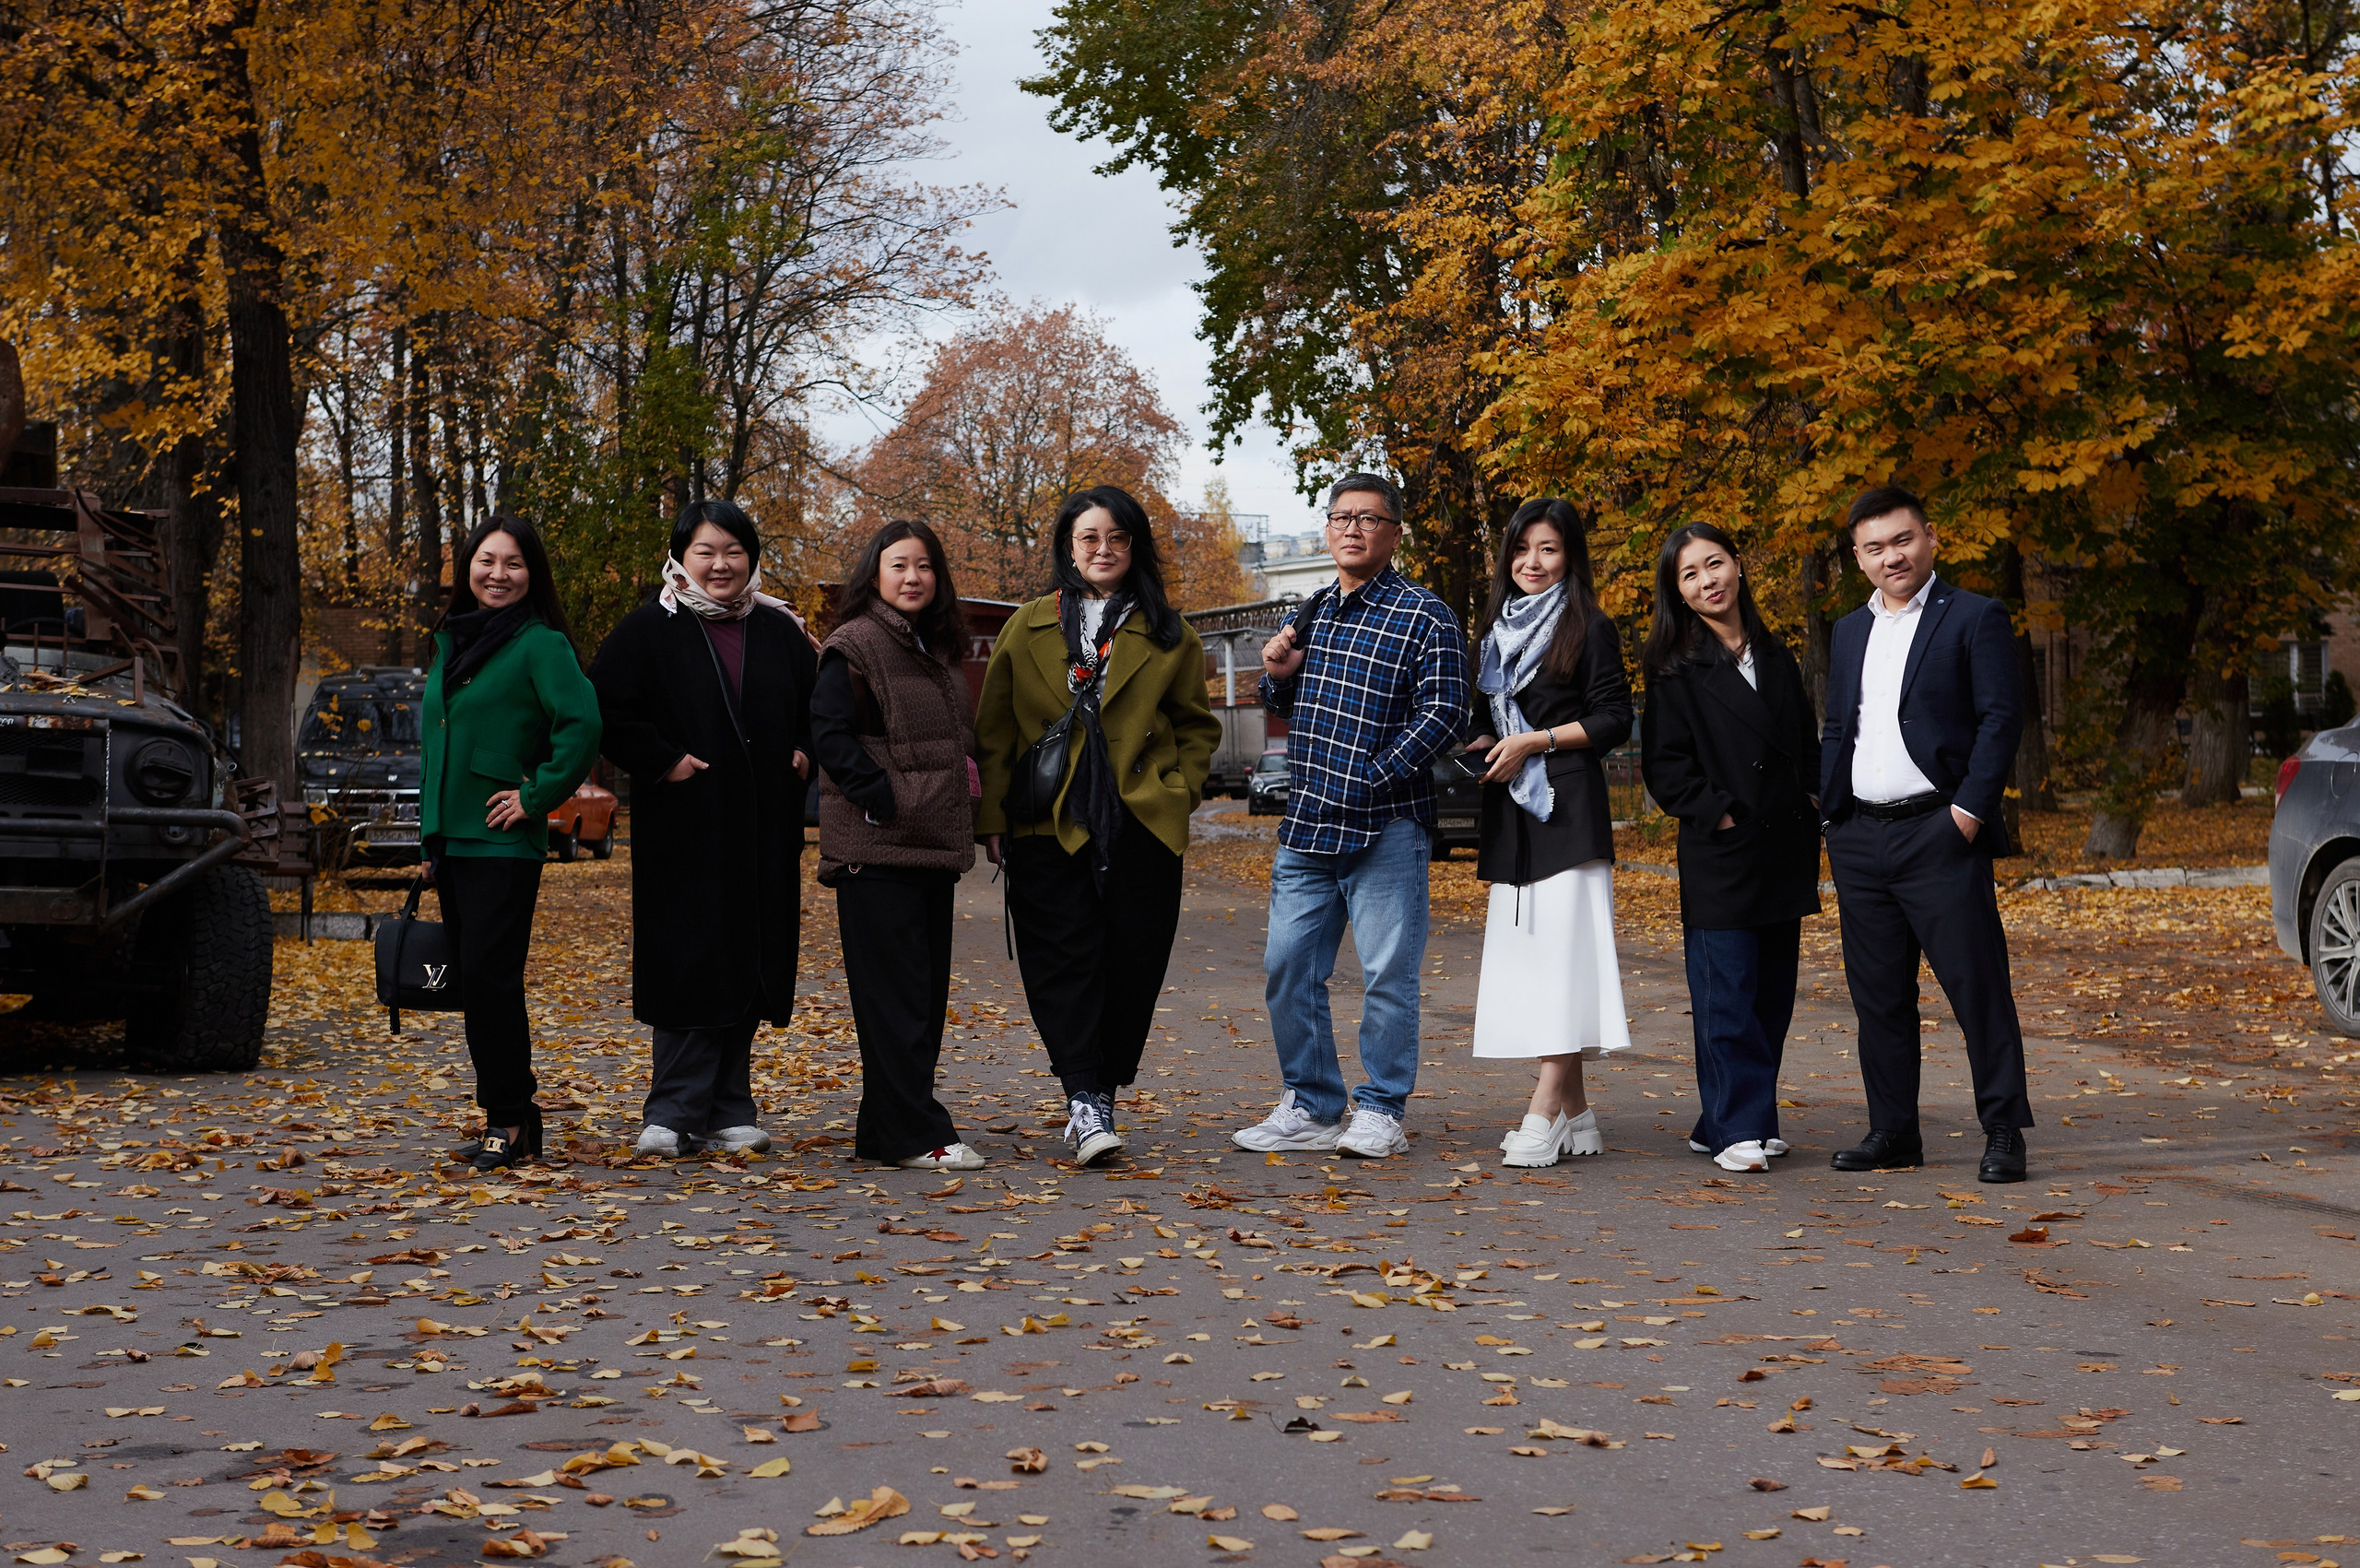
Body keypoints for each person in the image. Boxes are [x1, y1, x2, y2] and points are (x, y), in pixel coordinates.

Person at [975, 487, 1221, 1166]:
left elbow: (1197, 727)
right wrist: (992, 816)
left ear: (1134, 546)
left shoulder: (1169, 632)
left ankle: (1100, 1093)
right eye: (1089, 537)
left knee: (1132, 961)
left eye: (1117, 537)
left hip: (1141, 820)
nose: (1103, 549)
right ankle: (1084, 1098)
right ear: (1068, 546)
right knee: (1059, 961)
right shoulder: (1026, 627)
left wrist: (1178, 792)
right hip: (1046, 821)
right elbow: (994, 731)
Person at [1235, 473, 1469, 1159]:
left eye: (1369, 518)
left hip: (1386, 823)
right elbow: (1284, 702)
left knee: (1387, 976)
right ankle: (1311, 1106)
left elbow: (1445, 713)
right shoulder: (1312, 610)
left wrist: (1371, 777)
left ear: (1394, 533)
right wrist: (1276, 675)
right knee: (1288, 967)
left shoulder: (1426, 614)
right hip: (1308, 826)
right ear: (1328, 529)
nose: (1353, 529)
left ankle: (1381, 1110)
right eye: (1341, 517)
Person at [589, 499, 820, 1160]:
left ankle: (728, 1109)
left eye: (733, 551)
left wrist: (805, 751)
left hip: (761, 832)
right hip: (685, 831)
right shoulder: (649, 628)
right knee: (688, 965)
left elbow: (819, 706)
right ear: (680, 558)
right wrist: (665, 760)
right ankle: (672, 1109)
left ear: (752, 558)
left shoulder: (777, 630)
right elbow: (603, 708)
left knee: (748, 964)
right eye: (705, 552)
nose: (720, 565)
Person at [1820, 485, 2033, 1183]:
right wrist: (1831, 817)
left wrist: (1968, 812)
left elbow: (2001, 719)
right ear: (1859, 558)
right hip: (1860, 838)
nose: (1892, 557)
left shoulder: (1974, 616)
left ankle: (2003, 1129)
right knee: (1879, 997)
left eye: (1902, 540)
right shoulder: (1848, 631)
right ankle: (1894, 1132)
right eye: (1875, 547)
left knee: (1977, 989)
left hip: (1940, 833)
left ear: (1930, 537)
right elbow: (1839, 725)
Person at [419, 514, 601, 1173]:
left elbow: (583, 723)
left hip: (501, 841)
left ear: (533, 574)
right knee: (476, 984)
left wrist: (536, 795)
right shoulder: (452, 640)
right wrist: (430, 837)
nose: (498, 574)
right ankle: (509, 1116)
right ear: (468, 567)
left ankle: (511, 1119)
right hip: (455, 841)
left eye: (514, 563)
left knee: (493, 983)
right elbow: (436, 742)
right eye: (487, 561)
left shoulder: (540, 645)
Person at [1639, 523, 1822, 1173]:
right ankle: (1737, 1126)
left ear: (1738, 566)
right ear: (1679, 592)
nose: (1707, 581)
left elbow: (1804, 742)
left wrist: (1814, 799)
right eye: (1689, 574)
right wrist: (1717, 813)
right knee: (1728, 996)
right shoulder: (1673, 667)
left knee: (1772, 996)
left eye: (1714, 564)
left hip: (1784, 847)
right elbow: (1665, 766)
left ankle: (1732, 1116)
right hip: (1723, 852)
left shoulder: (1776, 654)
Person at [1462, 499, 1634, 1167]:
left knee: (1565, 959)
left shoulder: (1589, 625)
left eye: (1549, 549)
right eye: (1521, 549)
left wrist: (1536, 740)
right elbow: (1488, 719)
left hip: (1569, 809)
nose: (1531, 562)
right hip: (1513, 812)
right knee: (1539, 961)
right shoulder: (1493, 633)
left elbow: (1614, 718)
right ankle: (1578, 1116)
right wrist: (1487, 741)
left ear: (1570, 557)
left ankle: (1542, 1111)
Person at [809, 519, 984, 1173]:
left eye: (925, 566)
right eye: (899, 565)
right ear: (875, 574)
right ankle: (915, 1135)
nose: (913, 577)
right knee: (897, 1001)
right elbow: (831, 735)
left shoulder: (933, 647)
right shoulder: (855, 643)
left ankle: (883, 1132)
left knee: (919, 999)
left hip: (930, 845)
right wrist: (884, 798)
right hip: (877, 849)